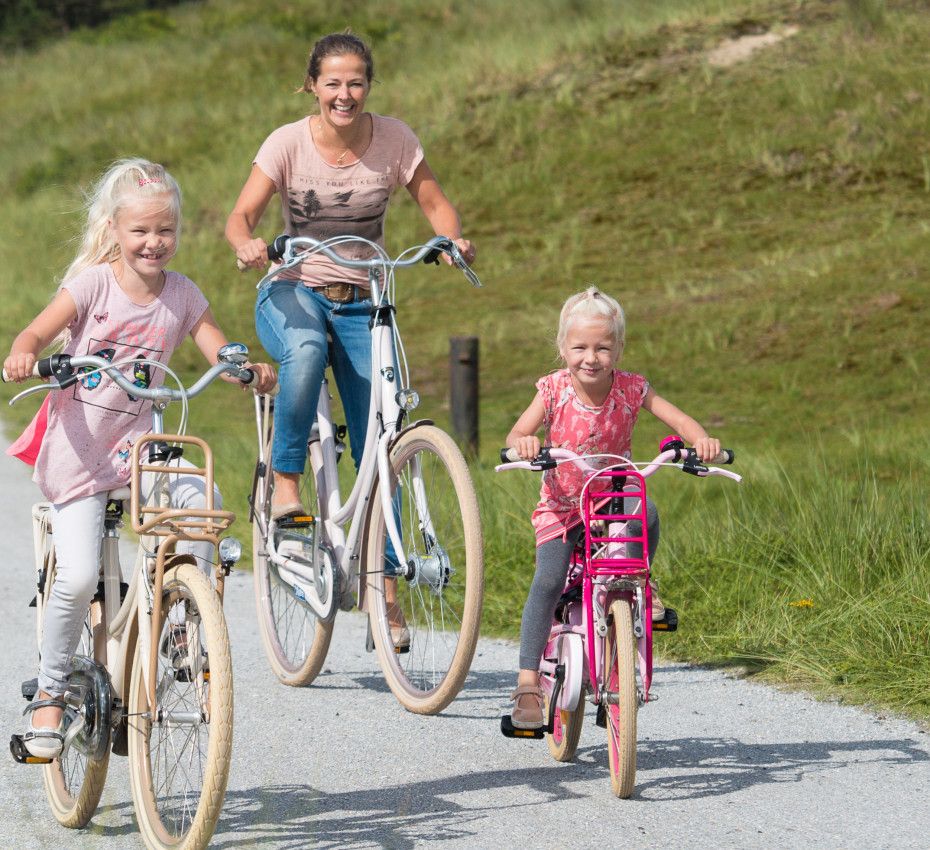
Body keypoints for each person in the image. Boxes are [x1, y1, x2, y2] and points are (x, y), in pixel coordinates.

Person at [4, 158, 276, 758]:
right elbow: (34, 333)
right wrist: (24, 353)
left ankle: (183, 623)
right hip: (80, 456)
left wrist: (240, 365)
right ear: (115, 230)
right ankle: (50, 692)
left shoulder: (182, 293)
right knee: (75, 577)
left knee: (203, 504)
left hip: (141, 454)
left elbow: (216, 345)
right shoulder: (92, 285)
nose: (154, 243)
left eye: (165, 231)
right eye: (140, 232)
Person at [225, 30, 475, 521]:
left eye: (356, 84)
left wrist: (450, 239)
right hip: (295, 290)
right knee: (307, 351)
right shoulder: (287, 142)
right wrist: (246, 244)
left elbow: (436, 205)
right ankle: (286, 486)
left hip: (364, 298)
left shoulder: (395, 139)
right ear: (312, 86)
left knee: (381, 435)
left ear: (369, 86)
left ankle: (383, 585)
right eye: (333, 84)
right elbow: (240, 217)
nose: (345, 96)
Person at [504, 286, 722, 729]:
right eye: (580, 347)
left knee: (649, 512)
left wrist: (701, 439)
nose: (591, 357)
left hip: (613, 498)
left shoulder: (632, 388)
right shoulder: (553, 390)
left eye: (603, 347)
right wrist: (524, 444)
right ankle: (527, 682)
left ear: (618, 349)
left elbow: (677, 418)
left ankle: (643, 587)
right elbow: (515, 436)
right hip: (563, 507)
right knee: (547, 580)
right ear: (562, 348)